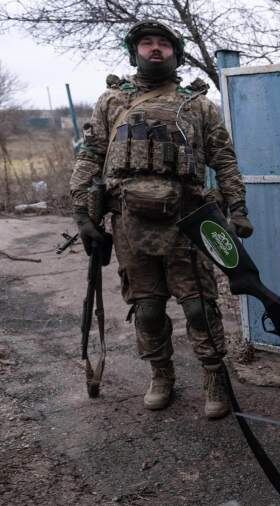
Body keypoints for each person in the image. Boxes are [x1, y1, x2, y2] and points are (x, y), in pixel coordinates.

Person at [70, 20, 254, 419]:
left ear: (176, 52)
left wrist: (237, 208)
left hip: (187, 221)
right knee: (148, 307)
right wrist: (83, 215)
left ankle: (213, 375)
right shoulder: (111, 102)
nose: (156, 49)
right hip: (129, 223)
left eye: (164, 44)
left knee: (198, 306)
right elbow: (90, 156)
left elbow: (224, 159)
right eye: (147, 43)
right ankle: (161, 373)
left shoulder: (198, 105)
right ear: (134, 51)